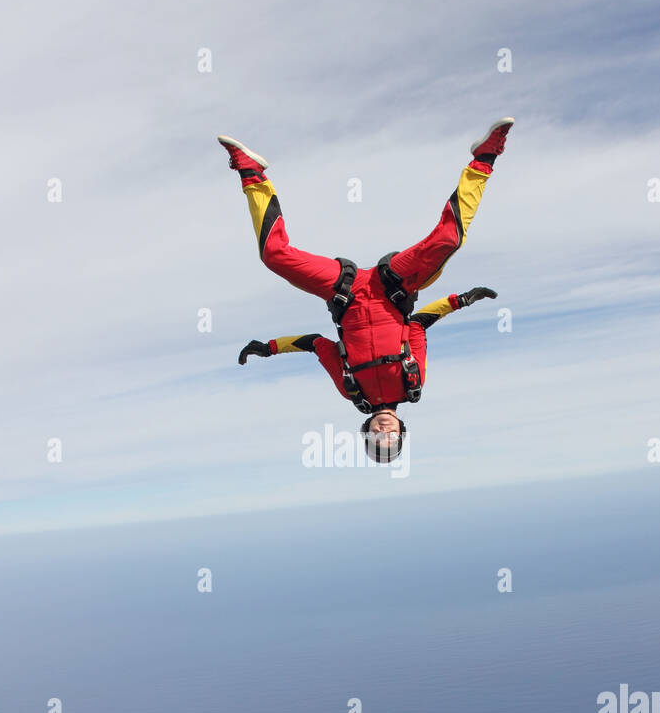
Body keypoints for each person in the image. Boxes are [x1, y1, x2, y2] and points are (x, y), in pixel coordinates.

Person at [220, 118, 514, 462]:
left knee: (274, 256)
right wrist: (459, 301)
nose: (383, 431)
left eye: (377, 438)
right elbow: (417, 325)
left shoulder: (351, 390)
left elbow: (317, 343)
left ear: (367, 431)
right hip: (395, 287)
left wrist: (270, 348)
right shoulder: (412, 382)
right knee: (449, 239)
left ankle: (252, 173)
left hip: (346, 292)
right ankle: (485, 158)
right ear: (401, 429)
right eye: (391, 437)